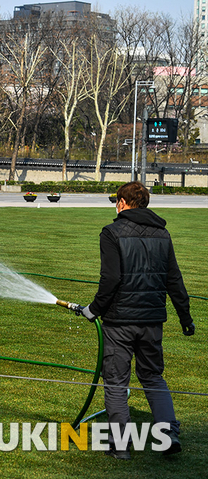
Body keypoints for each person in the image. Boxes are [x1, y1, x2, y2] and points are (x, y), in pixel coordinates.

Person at [79, 181, 195, 460]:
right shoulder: (163, 234)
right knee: (153, 376)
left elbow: (111, 279)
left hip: (119, 321)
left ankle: (120, 447)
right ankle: (168, 435)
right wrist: (185, 317)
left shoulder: (111, 232)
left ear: (121, 202)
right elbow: (174, 280)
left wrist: (93, 309)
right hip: (153, 320)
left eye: (115, 201)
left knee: (117, 382)